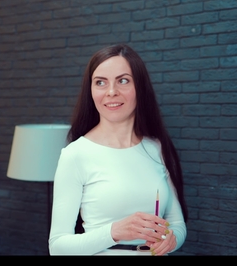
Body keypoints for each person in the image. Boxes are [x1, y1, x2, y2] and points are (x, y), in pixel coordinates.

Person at [48, 44, 188, 256]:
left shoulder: (156, 147)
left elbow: (177, 223)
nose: (111, 92)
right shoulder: (75, 155)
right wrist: (115, 232)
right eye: (100, 83)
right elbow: (58, 247)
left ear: (139, 87)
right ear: (91, 91)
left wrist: (172, 240)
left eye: (123, 81)